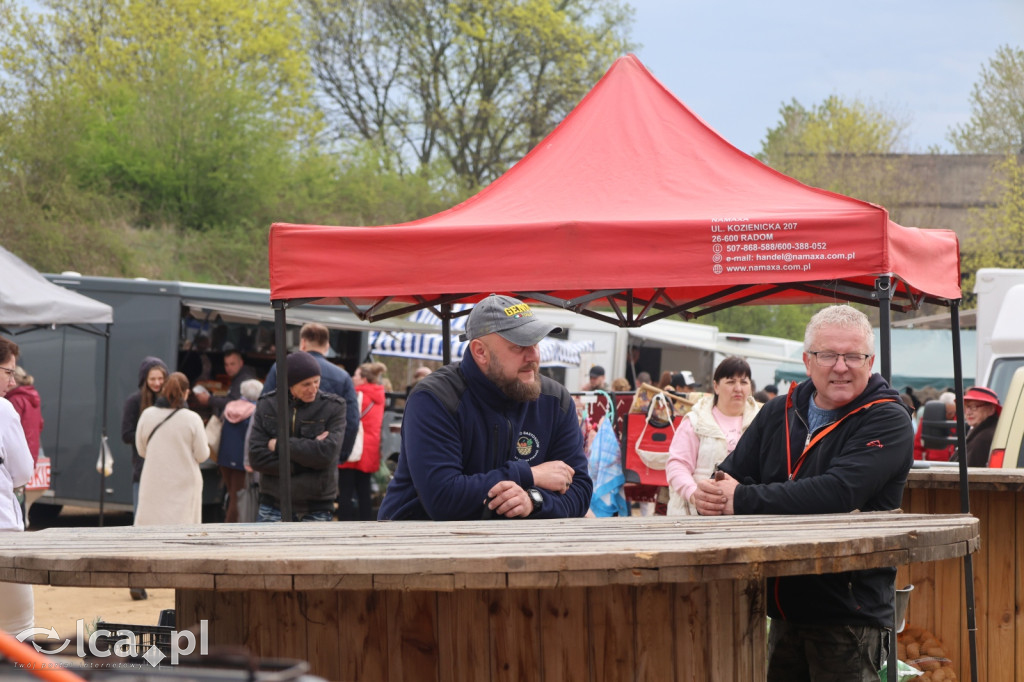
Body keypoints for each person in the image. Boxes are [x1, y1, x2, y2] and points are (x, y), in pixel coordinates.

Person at [694, 305, 914, 681]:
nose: (840, 366)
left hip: (850, 615)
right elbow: (729, 474)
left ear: (870, 361)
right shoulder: (779, 410)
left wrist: (742, 498)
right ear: (807, 361)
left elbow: (837, 493)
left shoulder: (888, 418)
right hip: (781, 608)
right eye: (827, 354)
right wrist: (712, 495)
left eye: (853, 356)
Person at [378, 294, 592, 521]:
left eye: (536, 342)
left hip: (516, 546)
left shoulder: (555, 400)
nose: (534, 355)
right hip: (415, 543)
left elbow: (579, 491)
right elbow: (442, 499)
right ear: (480, 351)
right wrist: (530, 475)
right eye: (519, 346)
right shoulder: (434, 398)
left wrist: (532, 501)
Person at [249, 351, 346, 522]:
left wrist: (279, 445)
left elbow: (326, 455)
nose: (314, 388)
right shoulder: (267, 405)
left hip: (317, 505)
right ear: (289, 384)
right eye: (306, 384)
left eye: (317, 381)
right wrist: (306, 462)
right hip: (273, 503)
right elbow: (256, 457)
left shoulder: (334, 407)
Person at [665, 356, 760, 516]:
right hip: (693, 518)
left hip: (745, 519)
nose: (738, 388)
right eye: (730, 382)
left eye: (744, 382)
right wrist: (694, 494)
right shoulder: (695, 421)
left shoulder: (762, 422)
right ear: (716, 386)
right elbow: (677, 465)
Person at [263, 323, 359, 464]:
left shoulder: (280, 368)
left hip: (282, 456)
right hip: (322, 458)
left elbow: (264, 409)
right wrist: (340, 455)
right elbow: (352, 421)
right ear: (327, 346)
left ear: (302, 343)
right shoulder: (343, 377)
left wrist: (269, 447)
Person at [134, 372, 209, 526]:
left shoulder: (147, 415)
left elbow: (141, 451)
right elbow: (202, 455)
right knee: (182, 534)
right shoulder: (192, 419)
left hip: (154, 483)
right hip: (185, 485)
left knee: (151, 532)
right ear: (186, 393)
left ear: (164, 390)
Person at [0, 338, 35, 634]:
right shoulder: (3, 409)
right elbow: (23, 472)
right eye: (8, 372)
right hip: (3, 534)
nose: (12, 381)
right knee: (19, 630)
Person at [338, 362, 386, 521]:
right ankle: (366, 522)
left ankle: (344, 523)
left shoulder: (356, 394)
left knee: (345, 491)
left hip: (353, 446)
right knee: (364, 491)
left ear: (364, 379)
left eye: (356, 375)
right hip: (370, 448)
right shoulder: (379, 395)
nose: (353, 378)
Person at [122, 357, 169, 512]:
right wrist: (149, 437)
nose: (157, 383)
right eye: (152, 379)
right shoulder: (134, 401)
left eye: (160, 379)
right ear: (144, 379)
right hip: (143, 468)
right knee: (141, 516)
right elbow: (126, 434)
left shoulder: (171, 401)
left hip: (167, 469)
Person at [218, 378, 263, 523]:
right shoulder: (255, 411)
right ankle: (229, 528)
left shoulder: (229, 406)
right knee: (238, 498)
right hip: (241, 462)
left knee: (232, 494)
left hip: (224, 460)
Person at [195, 348, 257, 416]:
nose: (229, 368)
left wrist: (209, 399)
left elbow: (233, 402)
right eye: (226, 364)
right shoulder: (240, 375)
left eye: (232, 364)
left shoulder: (244, 379)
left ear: (241, 363)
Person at [7, 366, 43, 466]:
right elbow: (40, 424)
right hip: (31, 455)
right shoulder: (32, 397)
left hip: (17, 457)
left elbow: (9, 430)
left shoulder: (15, 400)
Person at [963, 385, 1001, 467]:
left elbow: (971, 474)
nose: (968, 412)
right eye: (967, 407)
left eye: (974, 407)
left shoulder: (983, 438)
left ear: (991, 409)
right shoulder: (984, 432)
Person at [913, 391, 957, 461]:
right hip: (934, 464)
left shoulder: (960, 420)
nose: (952, 415)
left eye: (954, 412)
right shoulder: (928, 420)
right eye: (949, 413)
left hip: (955, 464)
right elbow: (917, 446)